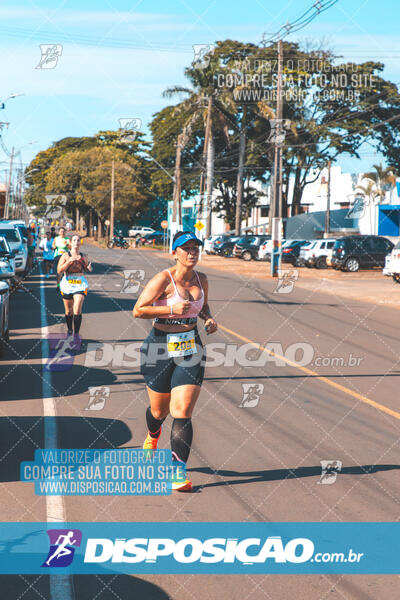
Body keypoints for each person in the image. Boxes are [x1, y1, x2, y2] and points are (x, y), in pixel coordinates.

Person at [133, 231, 218, 492]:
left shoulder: (201, 279)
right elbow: (139, 310)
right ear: (175, 252)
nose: (192, 252)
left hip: (190, 347)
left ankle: (177, 473)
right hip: (158, 348)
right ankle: (152, 434)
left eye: (196, 248)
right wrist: (169, 309)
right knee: (159, 412)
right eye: (186, 248)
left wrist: (207, 318)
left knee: (182, 411)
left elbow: (202, 305)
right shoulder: (163, 279)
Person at [57, 234, 92, 338]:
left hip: (80, 284)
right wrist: (68, 263)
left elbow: (85, 269)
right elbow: (59, 271)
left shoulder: (84, 256)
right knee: (69, 311)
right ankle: (70, 329)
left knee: (77, 309)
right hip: (67, 283)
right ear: (70, 243)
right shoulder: (65, 256)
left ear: (80, 243)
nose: (76, 242)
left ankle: (76, 335)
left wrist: (88, 269)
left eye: (78, 240)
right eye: (74, 240)